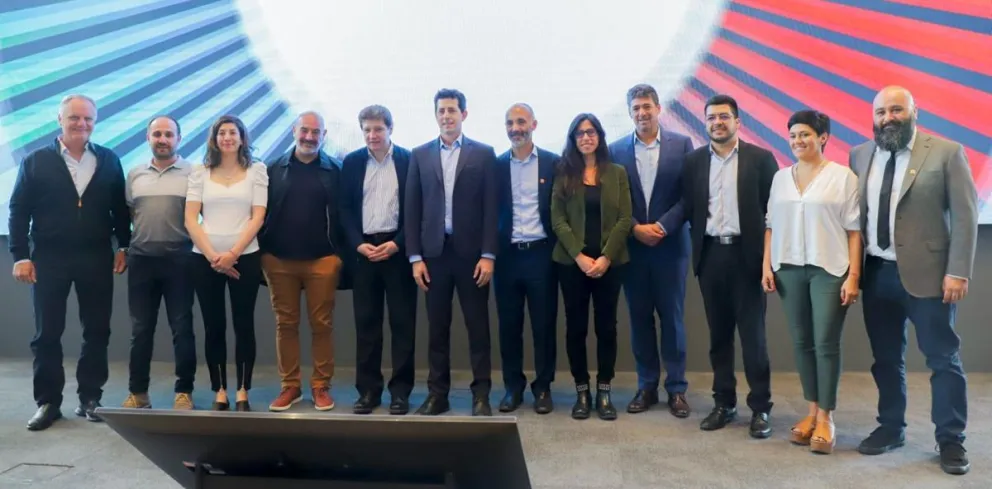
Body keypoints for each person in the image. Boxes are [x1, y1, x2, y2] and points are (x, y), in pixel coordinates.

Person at [850, 86, 977, 475]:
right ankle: (891, 427)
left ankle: (951, 439)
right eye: (881, 112)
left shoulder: (946, 152)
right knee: (886, 359)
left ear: (914, 112)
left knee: (943, 359)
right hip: (876, 274)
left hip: (931, 277)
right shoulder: (860, 154)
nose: (888, 118)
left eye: (896, 110)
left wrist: (957, 271)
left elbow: (966, 215)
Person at [10, 94, 130, 431]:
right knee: (47, 333)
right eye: (74, 117)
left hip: (96, 256)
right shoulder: (35, 161)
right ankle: (48, 402)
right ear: (59, 120)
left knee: (97, 330)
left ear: (95, 122)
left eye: (88, 118)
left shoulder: (108, 159)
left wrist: (124, 245)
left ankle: (90, 398)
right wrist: (21, 255)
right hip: (49, 258)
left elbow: (120, 210)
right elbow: (18, 211)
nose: (81, 124)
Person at [761, 110, 861, 454]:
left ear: (823, 137)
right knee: (802, 342)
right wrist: (766, 266)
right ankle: (812, 411)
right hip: (788, 267)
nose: (797, 141)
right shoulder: (780, 178)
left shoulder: (843, 177)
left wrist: (854, 276)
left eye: (804, 134)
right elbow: (771, 225)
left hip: (830, 269)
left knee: (825, 343)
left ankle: (827, 418)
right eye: (792, 136)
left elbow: (854, 230)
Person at [682, 94, 778, 438]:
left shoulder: (761, 159)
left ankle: (760, 407)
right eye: (711, 117)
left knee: (754, 339)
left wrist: (768, 263)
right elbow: (689, 208)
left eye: (724, 116)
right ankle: (724, 403)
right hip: (711, 257)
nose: (717, 122)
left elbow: (774, 213)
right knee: (719, 337)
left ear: (738, 121)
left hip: (747, 257)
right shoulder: (694, 161)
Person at [404, 89, 498, 416]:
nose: (446, 116)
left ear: (464, 114)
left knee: (478, 328)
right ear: (436, 115)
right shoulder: (420, 155)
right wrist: (415, 258)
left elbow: (491, 209)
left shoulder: (483, 154)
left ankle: (481, 395)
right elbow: (412, 209)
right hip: (434, 257)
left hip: (472, 257)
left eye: (452, 110)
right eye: (441, 111)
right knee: (437, 330)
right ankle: (437, 395)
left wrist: (488, 254)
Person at [608, 83, 693, 418]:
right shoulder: (615, 150)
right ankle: (646, 387)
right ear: (630, 113)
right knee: (640, 319)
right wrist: (634, 227)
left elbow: (689, 195)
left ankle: (677, 389)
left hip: (670, 247)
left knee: (672, 320)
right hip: (633, 249)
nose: (642, 113)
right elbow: (613, 200)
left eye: (647, 106)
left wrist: (662, 226)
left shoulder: (681, 144)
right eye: (636, 108)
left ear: (658, 108)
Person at [259, 111, 344, 413]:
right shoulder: (272, 169)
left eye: (315, 132)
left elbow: (346, 214)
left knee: (322, 325)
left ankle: (321, 385)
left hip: (323, 260)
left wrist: (338, 256)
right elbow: (260, 212)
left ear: (324, 135)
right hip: (279, 261)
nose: (309, 137)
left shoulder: (336, 170)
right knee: (285, 324)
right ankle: (290, 386)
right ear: (294, 130)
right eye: (304, 130)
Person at [551, 113, 631, 421]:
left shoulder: (617, 173)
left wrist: (606, 257)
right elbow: (558, 219)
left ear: (600, 136)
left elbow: (625, 218)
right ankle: (582, 391)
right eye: (580, 133)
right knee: (576, 328)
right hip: (572, 265)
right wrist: (580, 256)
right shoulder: (564, 172)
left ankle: (605, 390)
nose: (586, 137)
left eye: (591, 132)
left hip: (610, 264)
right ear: (573, 139)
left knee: (607, 328)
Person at [185, 115, 267, 412]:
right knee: (213, 325)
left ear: (242, 138)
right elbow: (190, 219)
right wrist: (213, 257)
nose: (228, 137)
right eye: (222, 133)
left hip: (245, 257)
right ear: (214, 138)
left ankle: (243, 390)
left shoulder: (257, 170)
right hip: (204, 259)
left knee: (244, 325)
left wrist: (233, 253)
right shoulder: (199, 172)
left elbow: (258, 217)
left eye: (233, 132)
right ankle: (219, 390)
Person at [340, 105, 417, 415]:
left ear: (390, 129)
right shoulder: (352, 162)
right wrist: (358, 245)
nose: (372, 135)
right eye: (367, 130)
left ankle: (400, 393)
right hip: (364, 254)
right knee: (366, 326)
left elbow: (416, 209)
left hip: (397, 252)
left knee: (403, 325)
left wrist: (398, 244)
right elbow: (344, 209)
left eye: (378, 129)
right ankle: (368, 392)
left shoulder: (409, 160)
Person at [121, 115, 196, 411]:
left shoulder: (193, 173)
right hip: (141, 261)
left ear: (178, 138)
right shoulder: (135, 174)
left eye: (168, 134)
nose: (162, 139)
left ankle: (184, 392)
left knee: (182, 328)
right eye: (157, 134)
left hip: (180, 261)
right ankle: (138, 393)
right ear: (148, 138)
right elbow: (131, 214)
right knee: (140, 330)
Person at [494, 103, 560, 414]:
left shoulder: (552, 163)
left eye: (521, 122)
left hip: (541, 256)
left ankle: (543, 387)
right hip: (506, 257)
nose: (515, 128)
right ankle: (513, 387)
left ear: (534, 124)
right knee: (509, 326)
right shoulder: (495, 165)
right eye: (510, 123)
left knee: (544, 326)